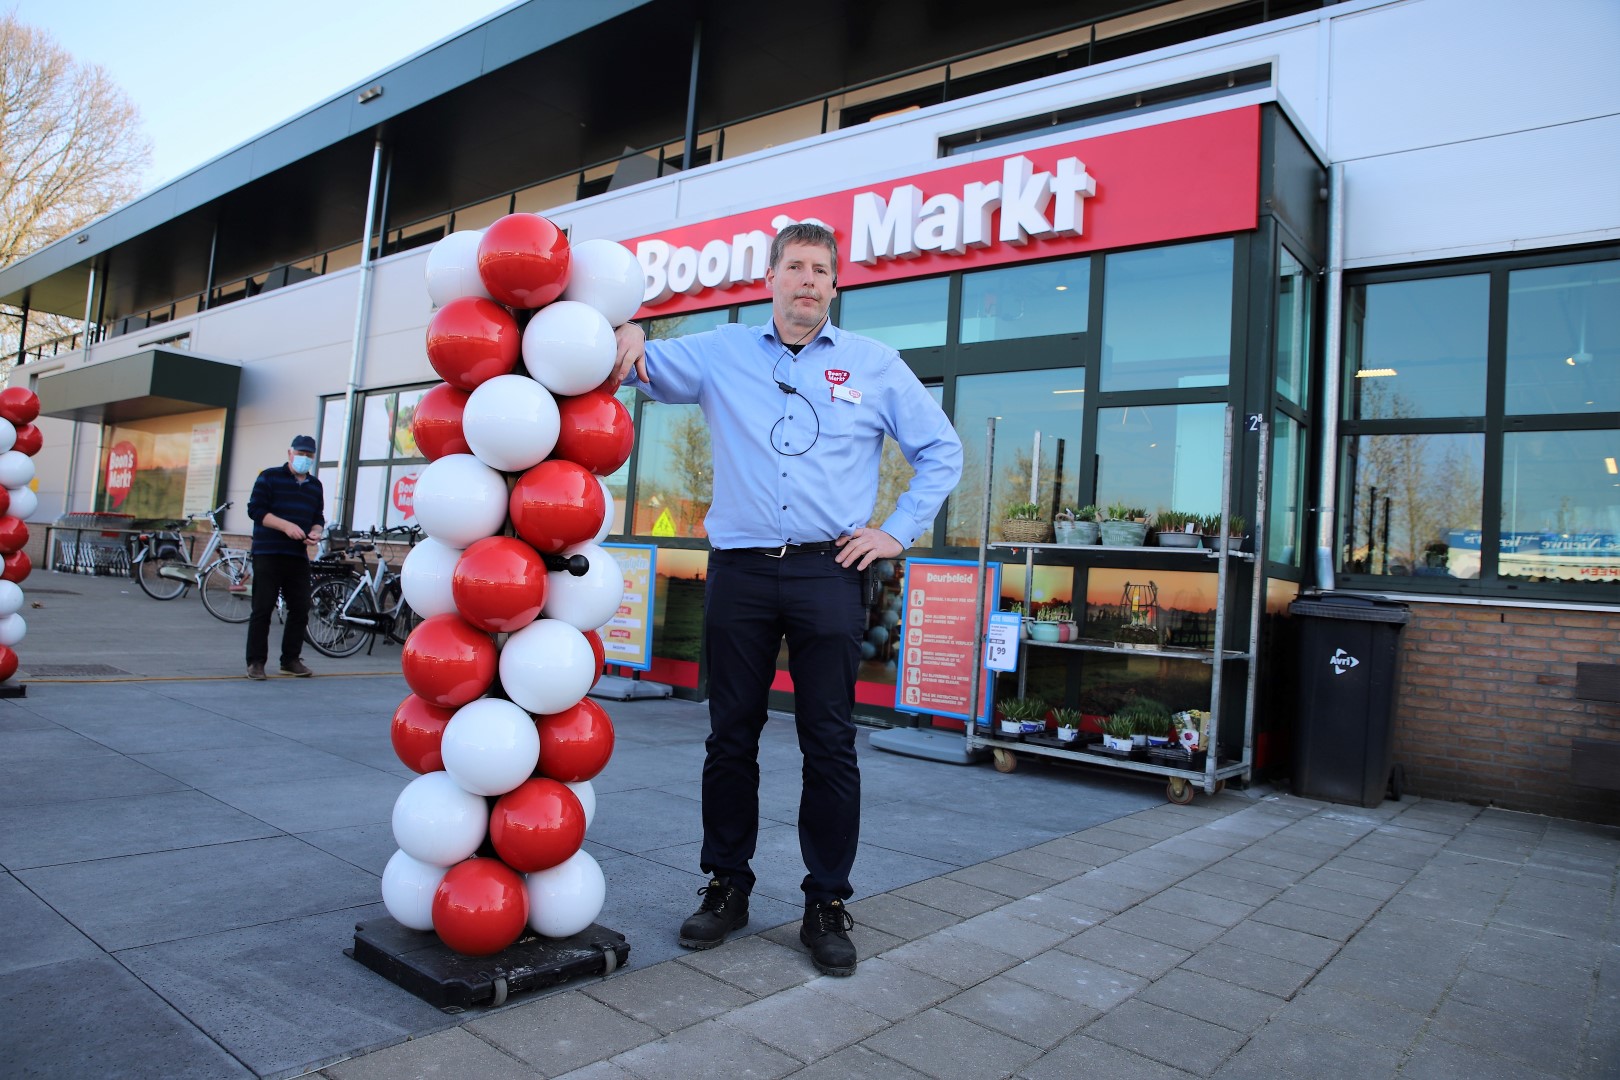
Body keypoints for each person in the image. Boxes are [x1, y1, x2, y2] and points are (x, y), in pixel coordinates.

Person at [611, 222, 963, 975]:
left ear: (835, 287)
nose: (808, 280)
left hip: (828, 571)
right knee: (729, 736)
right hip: (738, 571)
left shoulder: (876, 366)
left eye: (821, 270)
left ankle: (827, 900)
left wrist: (896, 530)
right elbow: (630, 364)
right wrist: (627, 327)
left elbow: (941, 450)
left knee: (829, 742)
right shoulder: (719, 352)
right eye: (795, 267)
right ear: (770, 278)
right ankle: (726, 885)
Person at [245, 434, 325, 680]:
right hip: (268, 551)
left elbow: (318, 517)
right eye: (300, 454)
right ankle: (256, 662)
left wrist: (316, 532)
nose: (303, 459)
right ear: (290, 453)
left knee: (301, 606)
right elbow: (256, 510)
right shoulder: (269, 477)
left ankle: (290, 659)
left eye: (308, 455)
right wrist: (285, 526)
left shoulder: (315, 486)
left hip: (296, 554)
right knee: (263, 607)